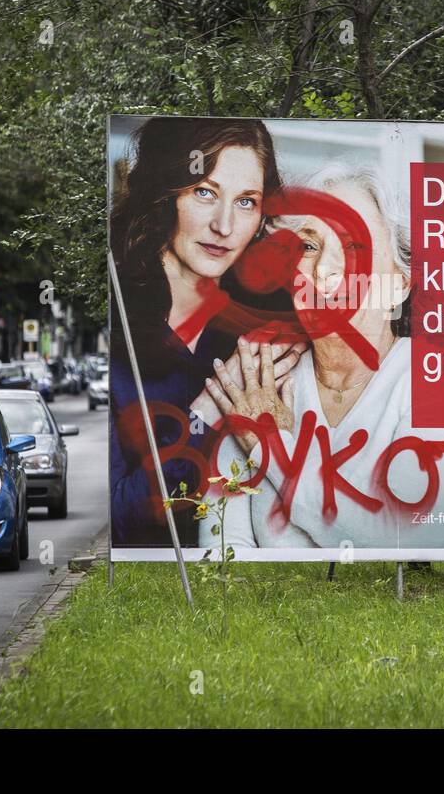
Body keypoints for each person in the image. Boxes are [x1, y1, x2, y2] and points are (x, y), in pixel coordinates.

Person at [202, 164, 444, 550]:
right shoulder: (261, 381)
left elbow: (405, 534)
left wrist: (270, 446)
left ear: (399, 284)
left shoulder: (441, 379)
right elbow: (222, 553)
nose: (324, 270)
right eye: (309, 246)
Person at [108, 118, 305, 547]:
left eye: (246, 202)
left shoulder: (263, 328)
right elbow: (118, 519)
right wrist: (209, 407)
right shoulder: (114, 322)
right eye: (204, 192)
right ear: (165, 194)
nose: (224, 225)